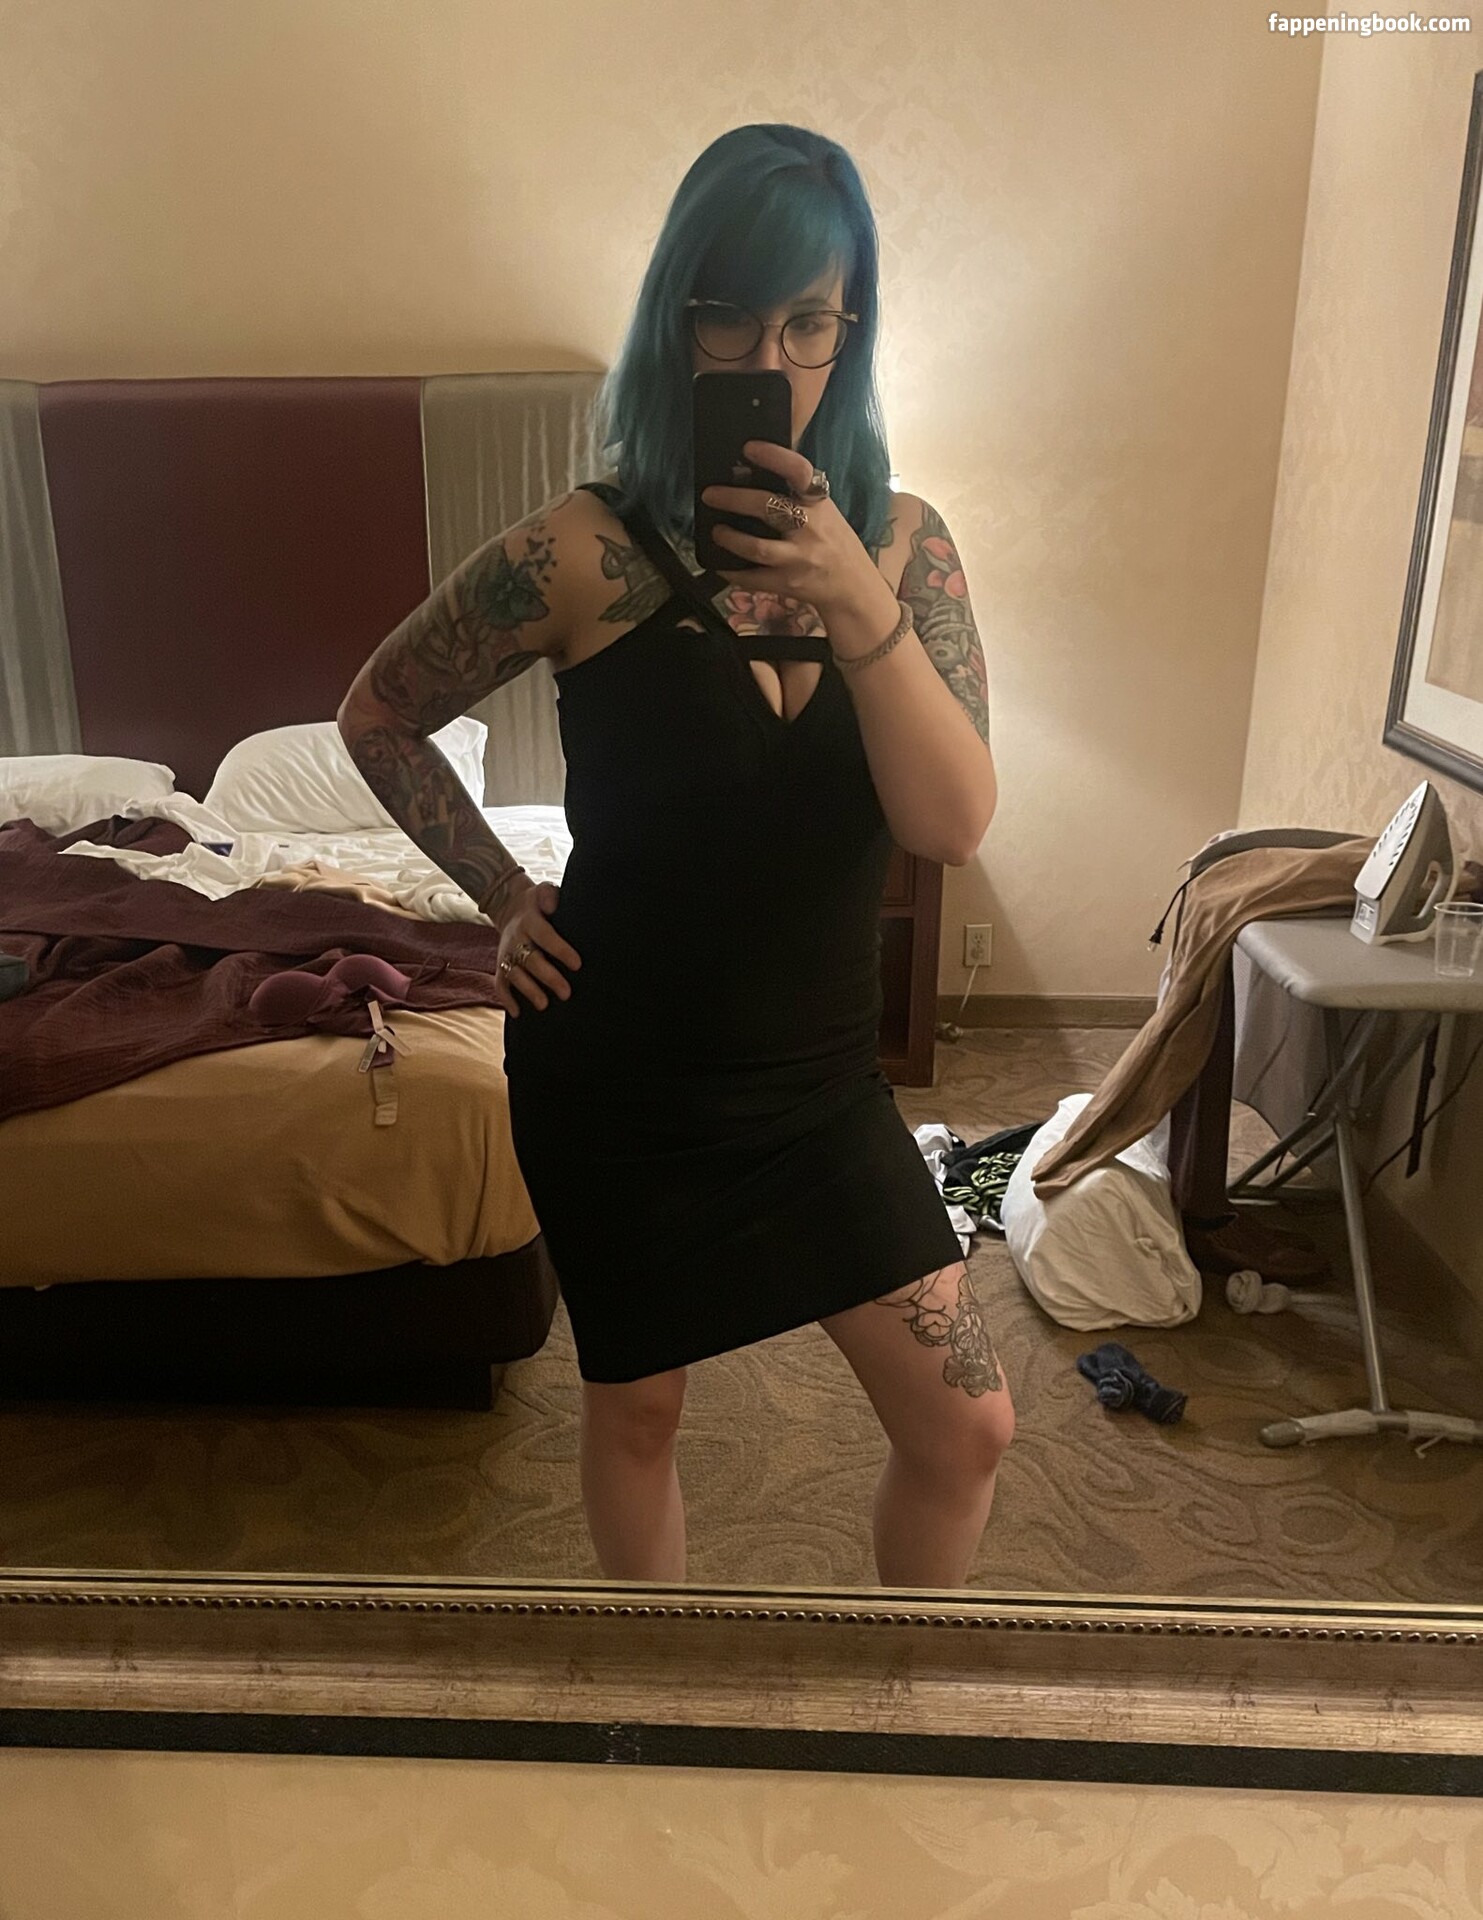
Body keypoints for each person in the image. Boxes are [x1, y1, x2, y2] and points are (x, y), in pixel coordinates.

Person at [337, 123, 1011, 1590]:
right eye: (729, 317)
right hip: (618, 1074)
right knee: (639, 1414)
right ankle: (657, 1689)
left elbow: (951, 823)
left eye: (810, 321)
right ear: (673, 320)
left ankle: (898, 1692)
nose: (769, 356)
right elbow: (376, 712)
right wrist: (500, 895)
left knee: (968, 1428)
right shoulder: (581, 552)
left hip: (818, 1085)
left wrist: (855, 599)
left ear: (853, 329)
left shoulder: (907, 549)